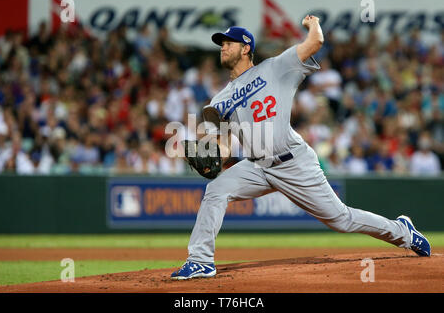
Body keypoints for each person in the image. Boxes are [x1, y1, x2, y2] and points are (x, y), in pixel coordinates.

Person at [170, 16, 431, 280]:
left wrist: (313, 23)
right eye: (221, 44)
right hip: (257, 166)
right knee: (216, 189)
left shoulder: (276, 67)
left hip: (293, 161)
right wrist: (211, 156)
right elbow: (224, 145)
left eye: (229, 43)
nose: (223, 48)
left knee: (341, 219)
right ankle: (201, 260)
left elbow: (316, 41)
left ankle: (402, 231)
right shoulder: (219, 100)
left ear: (246, 47)